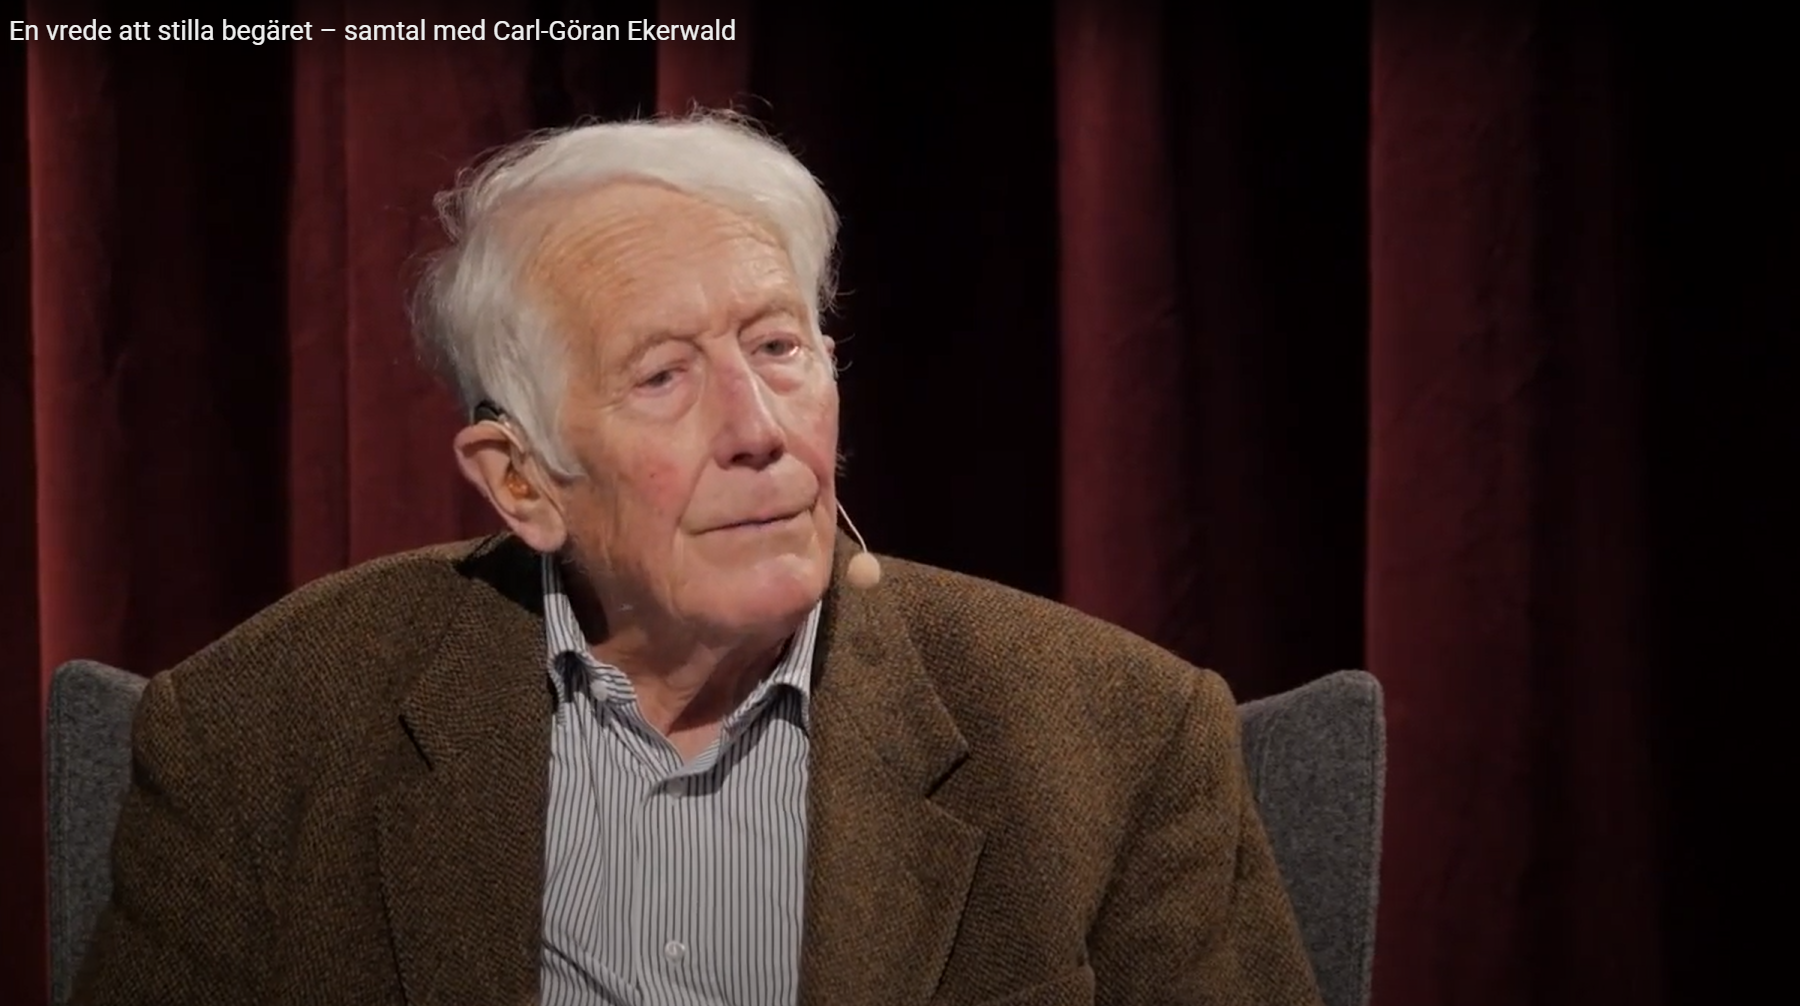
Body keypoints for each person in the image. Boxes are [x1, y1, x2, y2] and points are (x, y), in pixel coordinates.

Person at [71, 113, 1323, 1006]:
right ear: (521, 480)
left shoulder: (1119, 736)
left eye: (779, 348)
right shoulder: (261, 733)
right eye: (664, 375)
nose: (759, 429)